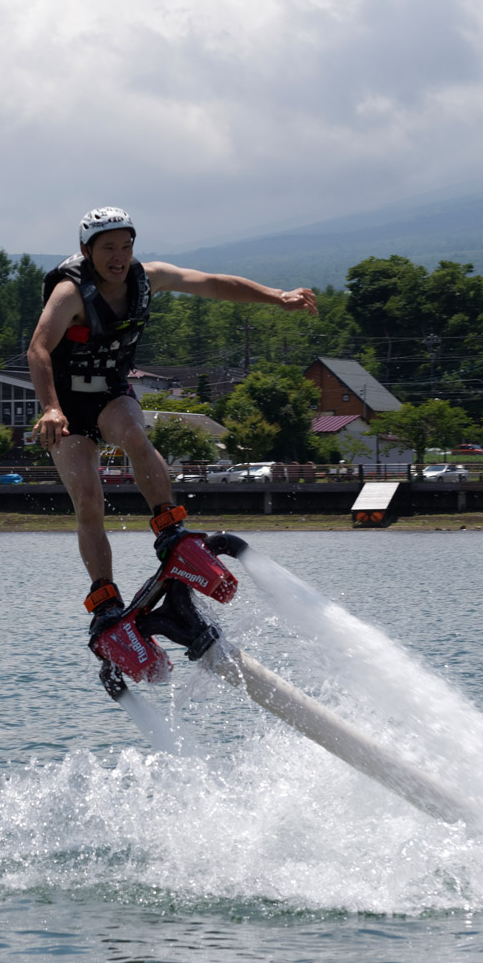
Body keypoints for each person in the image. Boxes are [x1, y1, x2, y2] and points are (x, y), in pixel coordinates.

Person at [28, 206, 318, 640]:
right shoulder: (70, 294)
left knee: (132, 432)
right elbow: (38, 348)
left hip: (110, 395)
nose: (119, 257)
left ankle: (170, 531)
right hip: (66, 409)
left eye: (126, 247)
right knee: (87, 501)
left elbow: (212, 284)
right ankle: (106, 602)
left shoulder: (149, 277)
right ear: (87, 252)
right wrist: (51, 407)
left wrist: (277, 296)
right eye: (108, 248)